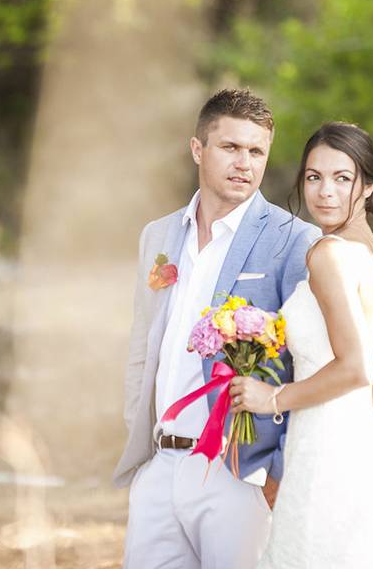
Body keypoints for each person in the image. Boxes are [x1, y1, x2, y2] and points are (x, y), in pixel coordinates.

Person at [113, 88, 320, 568]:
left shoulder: (294, 242)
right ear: (197, 149)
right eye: (230, 147)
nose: (244, 163)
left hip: (238, 471)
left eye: (256, 151)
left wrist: (277, 472)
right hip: (159, 467)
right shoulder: (158, 236)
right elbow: (144, 347)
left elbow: (307, 363)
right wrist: (140, 442)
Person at [230, 122, 373, 568]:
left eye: (342, 178)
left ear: (370, 185)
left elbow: (355, 367)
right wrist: (343, 409)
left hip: (328, 458)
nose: (325, 192)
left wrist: (273, 397)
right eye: (314, 177)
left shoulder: (327, 253)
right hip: (367, 447)